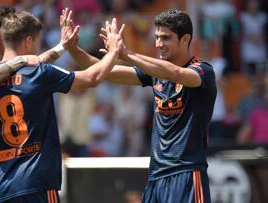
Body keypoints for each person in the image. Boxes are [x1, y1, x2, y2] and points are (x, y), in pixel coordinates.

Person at [0, 10, 123, 203]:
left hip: (1, 187)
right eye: (37, 42)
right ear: (28, 41)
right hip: (37, 183)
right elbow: (92, 77)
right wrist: (114, 52)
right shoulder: (39, 74)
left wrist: (61, 47)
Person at [67, 9, 216, 203]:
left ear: (185, 39)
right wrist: (72, 49)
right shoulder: (155, 72)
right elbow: (104, 70)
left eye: (166, 38)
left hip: (186, 173)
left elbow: (175, 73)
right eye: (157, 37)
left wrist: (126, 54)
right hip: (156, 176)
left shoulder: (203, 71)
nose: (159, 44)